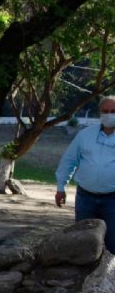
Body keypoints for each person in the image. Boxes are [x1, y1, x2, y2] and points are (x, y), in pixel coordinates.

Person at [56, 95, 115, 253]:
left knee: (112, 243)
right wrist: (61, 187)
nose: (109, 115)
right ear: (100, 112)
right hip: (85, 198)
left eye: (113, 111)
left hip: (112, 201)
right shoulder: (85, 135)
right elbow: (69, 160)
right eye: (105, 111)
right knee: (83, 243)